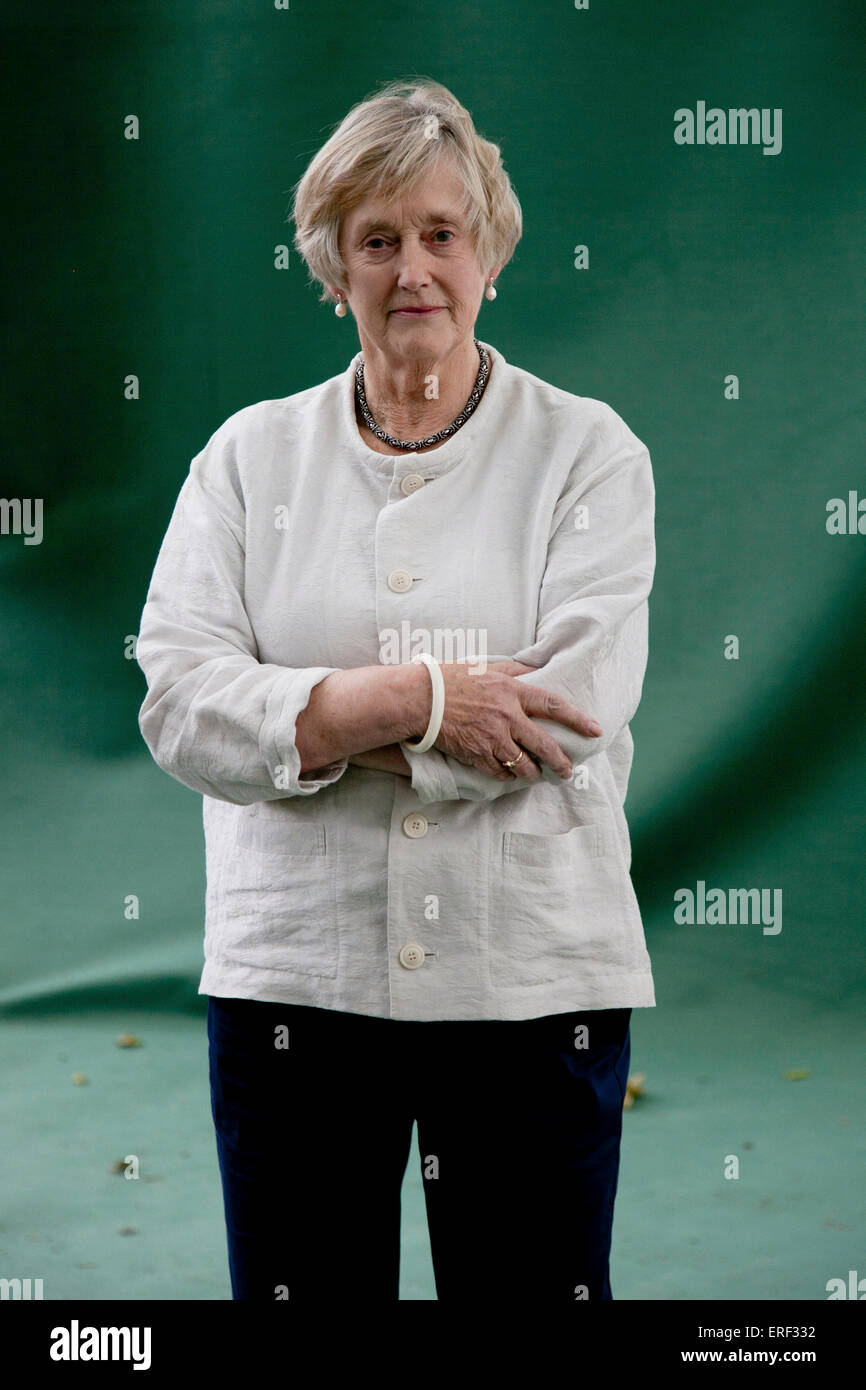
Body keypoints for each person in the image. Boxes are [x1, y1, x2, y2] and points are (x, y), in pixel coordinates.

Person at [135, 77, 656, 1303]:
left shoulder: (588, 451)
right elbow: (177, 701)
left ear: (489, 256)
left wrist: (294, 720)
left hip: (527, 983)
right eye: (376, 240)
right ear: (333, 270)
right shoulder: (246, 457)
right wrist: (418, 704)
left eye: (440, 233)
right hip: (294, 984)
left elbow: (559, 718)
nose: (411, 267)